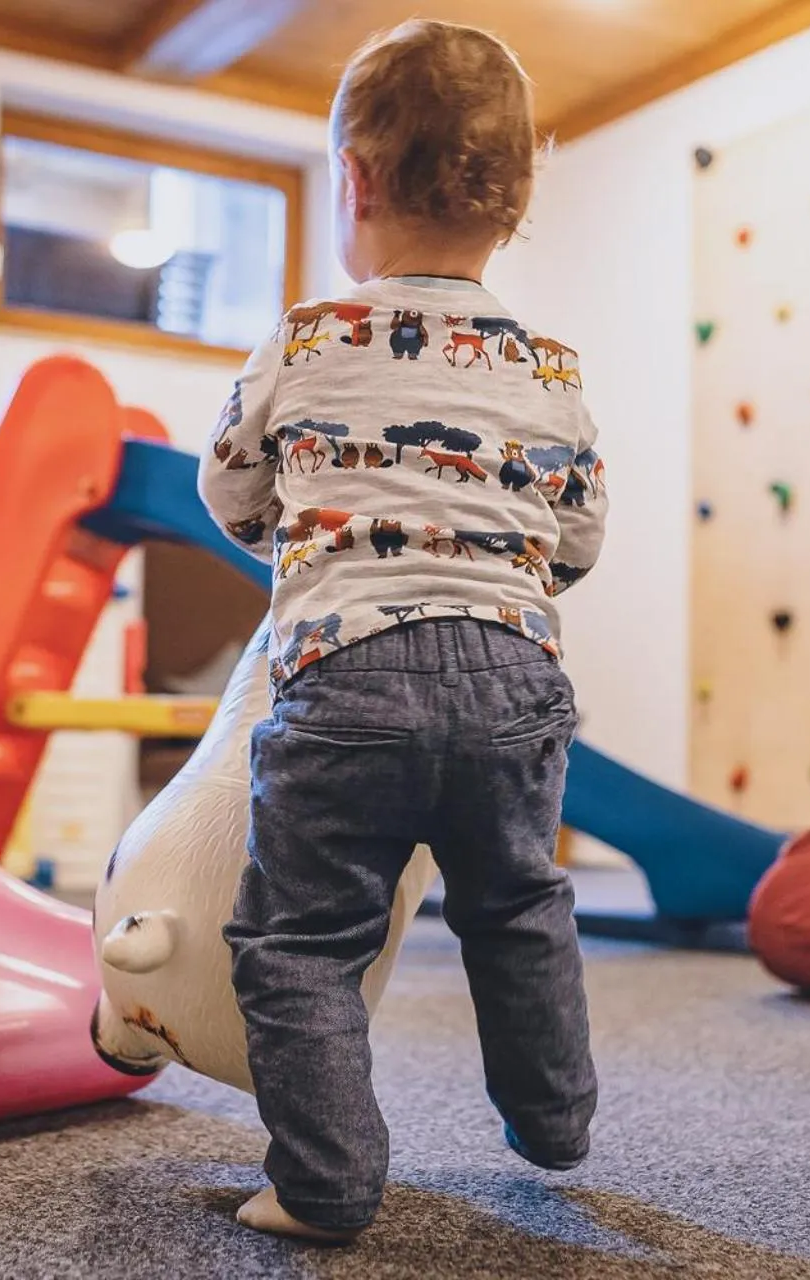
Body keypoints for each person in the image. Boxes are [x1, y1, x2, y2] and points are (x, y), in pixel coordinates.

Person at [197, 18, 608, 1245]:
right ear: (516, 201)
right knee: (519, 902)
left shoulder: (307, 336)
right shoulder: (551, 369)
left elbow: (229, 487)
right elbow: (579, 537)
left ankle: (323, 1181)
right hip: (514, 682)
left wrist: (294, 536)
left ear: (354, 182)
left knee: (302, 938)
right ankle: (555, 1119)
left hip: (347, 680)